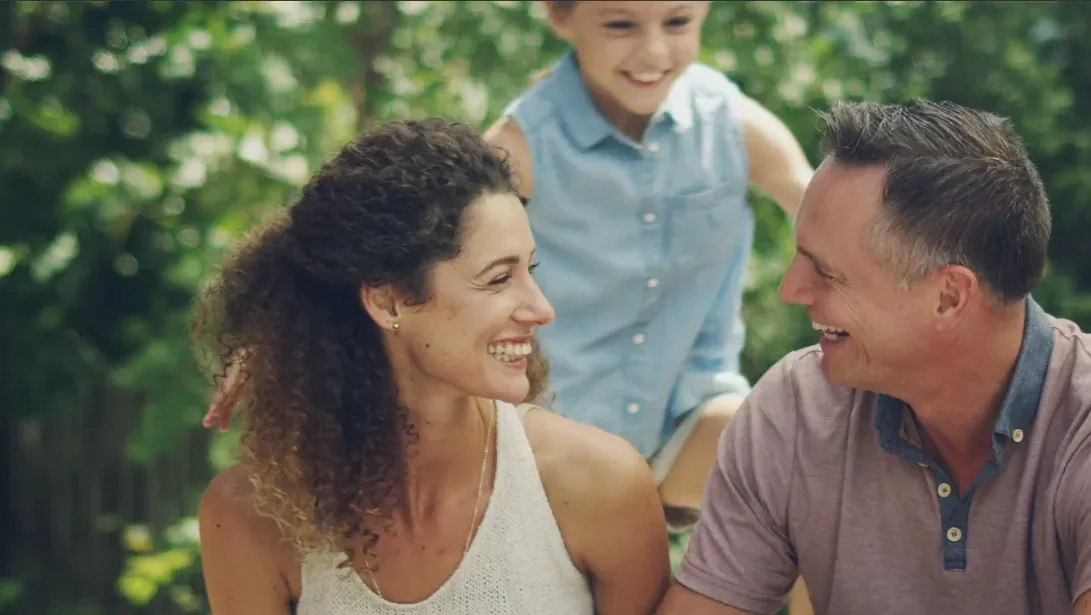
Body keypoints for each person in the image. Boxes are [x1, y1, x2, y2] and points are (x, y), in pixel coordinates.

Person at [195, 118, 670, 615]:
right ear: (390, 301)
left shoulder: (598, 486)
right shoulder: (252, 516)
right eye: (497, 279)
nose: (541, 309)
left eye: (529, 270)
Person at [657, 98, 1091, 615]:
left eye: (826, 272)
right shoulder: (795, 411)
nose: (791, 290)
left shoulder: (1080, 423)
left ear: (949, 297)